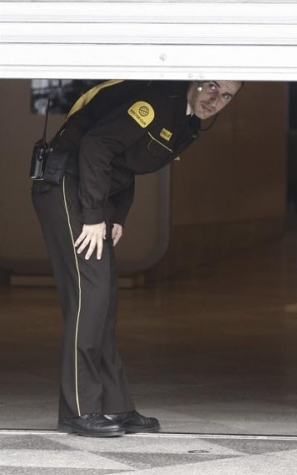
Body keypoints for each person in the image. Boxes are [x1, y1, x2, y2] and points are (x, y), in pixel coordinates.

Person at [32, 78, 243, 437]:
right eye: (211, 86)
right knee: (90, 297)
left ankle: (116, 405)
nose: (215, 99)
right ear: (195, 80)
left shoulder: (186, 122)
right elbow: (97, 147)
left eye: (226, 95)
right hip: (64, 183)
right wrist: (95, 215)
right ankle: (78, 410)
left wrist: (117, 216)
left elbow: (124, 165)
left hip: (89, 192)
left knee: (104, 300)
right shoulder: (161, 102)